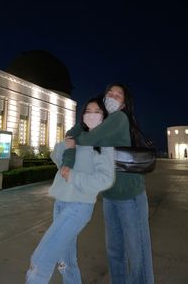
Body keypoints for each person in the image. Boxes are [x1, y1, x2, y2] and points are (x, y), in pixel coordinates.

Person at [62, 82, 154, 284]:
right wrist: (84, 121)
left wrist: (78, 139)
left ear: (123, 104)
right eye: (109, 93)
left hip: (130, 197)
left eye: (118, 95)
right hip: (110, 197)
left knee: (137, 253)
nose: (112, 96)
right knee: (114, 251)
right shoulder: (102, 120)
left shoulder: (119, 118)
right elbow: (71, 134)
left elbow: (86, 139)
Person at [25, 96, 115, 284]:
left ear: (103, 117)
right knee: (66, 260)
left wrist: (74, 177)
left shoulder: (103, 143)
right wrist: (65, 145)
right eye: (88, 111)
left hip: (79, 206)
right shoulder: (78, 138)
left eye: (96, 112)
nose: (91, 115)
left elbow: (105, 179)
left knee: (41, 259)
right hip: (60, 203)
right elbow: (58, 159)